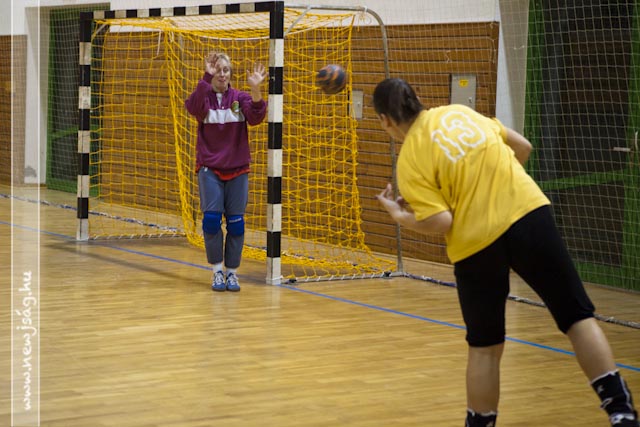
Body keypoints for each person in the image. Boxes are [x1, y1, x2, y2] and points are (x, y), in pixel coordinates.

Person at [373, 77, 638, 427]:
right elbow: (523, 147)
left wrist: (399, 215)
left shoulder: (409, 160)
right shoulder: (461, 113)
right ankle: (620, 411)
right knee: (576, 317)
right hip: (529, 215)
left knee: (485, 346)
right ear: (417, 97)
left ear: (385, 120)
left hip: (476, 243)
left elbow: (441, 220)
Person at [185, 52, 268, 292]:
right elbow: (193, 107)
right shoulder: (204, 98)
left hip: (238, 169)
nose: (222, 74)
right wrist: (205, 77)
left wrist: (256, 90)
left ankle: (232, 273)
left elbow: (256, 117)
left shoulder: (239, 97)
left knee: (236, 223)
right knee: (211, 221)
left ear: (231, 73)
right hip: (210, 168)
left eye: (225, 70)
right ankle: (217, 271)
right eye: (217, 70)